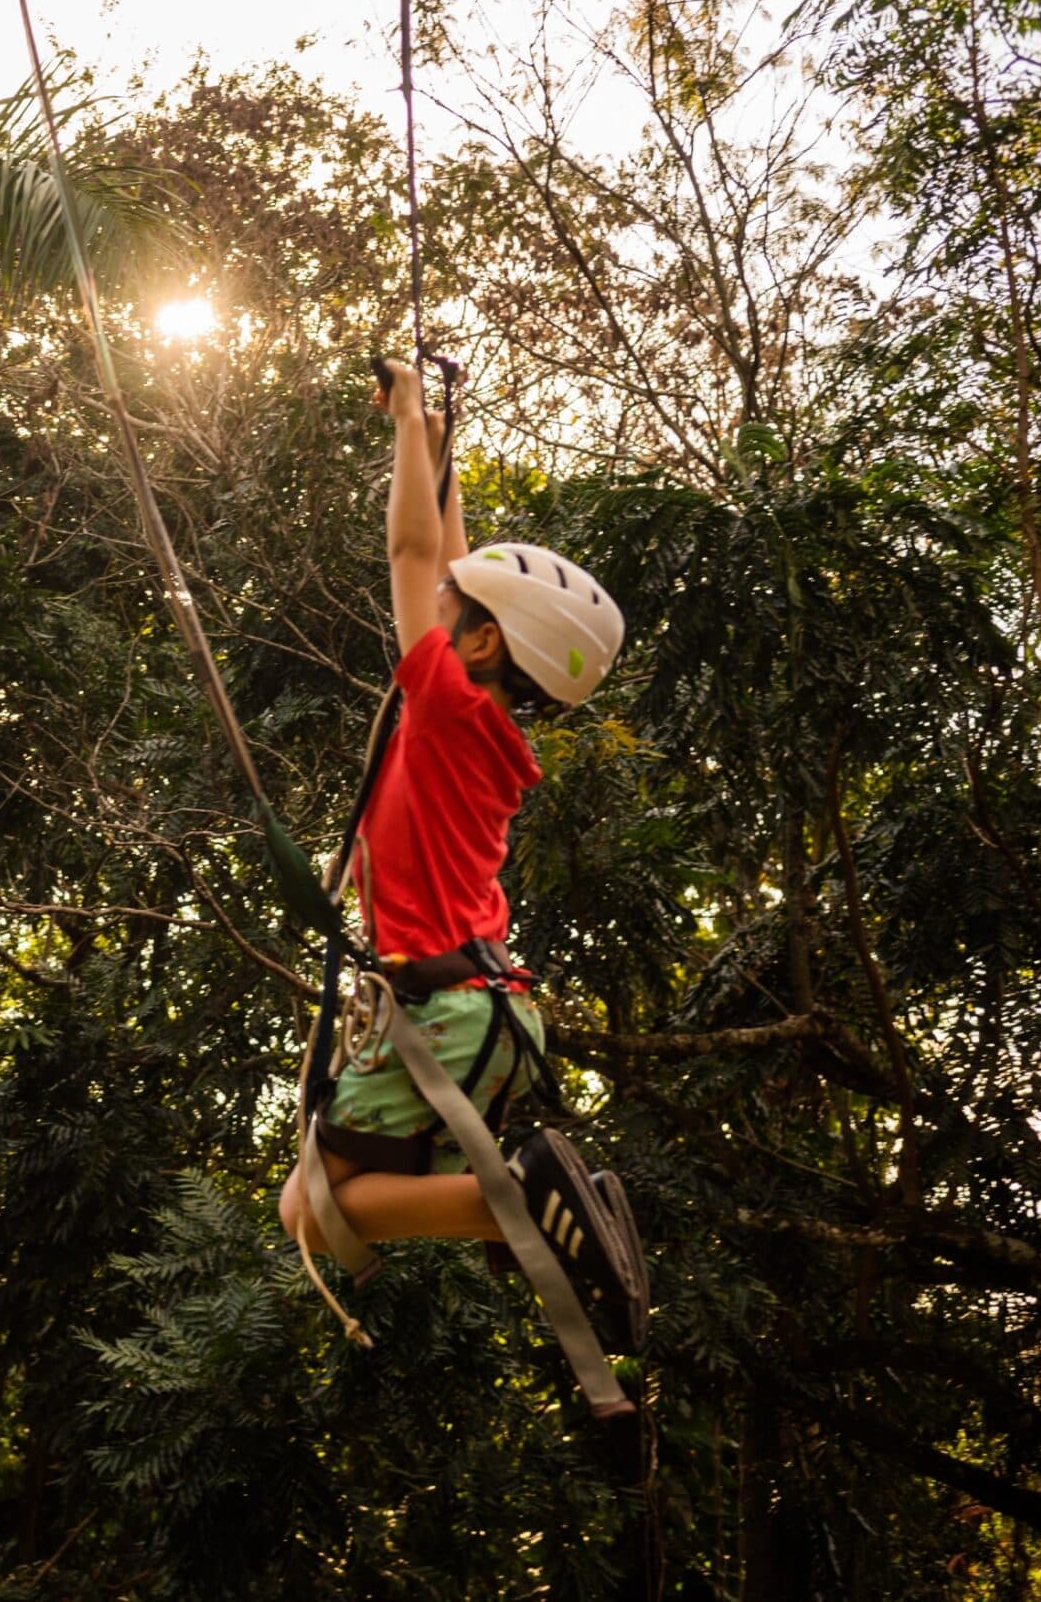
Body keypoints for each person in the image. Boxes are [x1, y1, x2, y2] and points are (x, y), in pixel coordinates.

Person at [277, 356, 646, 1351]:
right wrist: (440, 447)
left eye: (460, 621)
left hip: (448, 1012)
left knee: (309, 1212)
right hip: (489, 1011)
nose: (440, 616)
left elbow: (412, 558)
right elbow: (448, 567)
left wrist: (406, 428)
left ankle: (517, 1202)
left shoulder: (441, 704)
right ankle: (537, 1208)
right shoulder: (480, 726)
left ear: (477, 649)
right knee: (326, 1196)